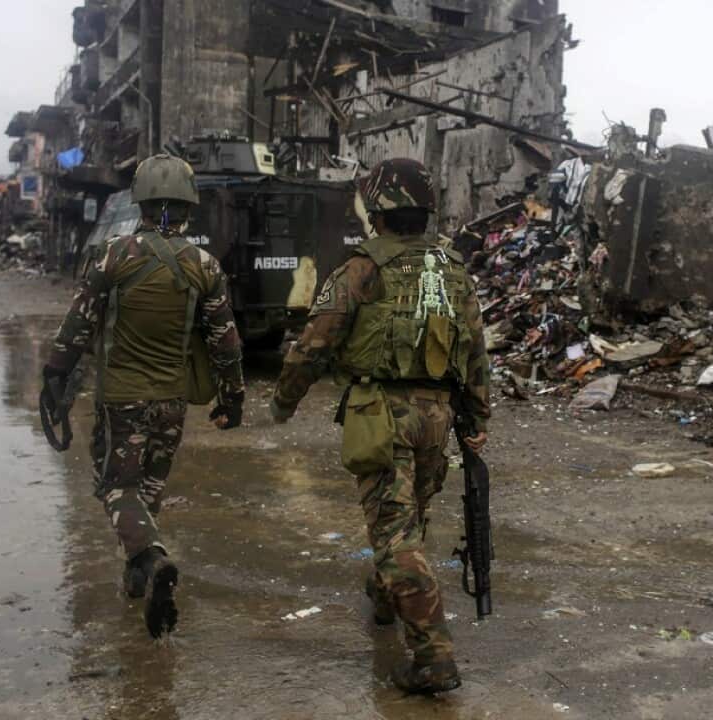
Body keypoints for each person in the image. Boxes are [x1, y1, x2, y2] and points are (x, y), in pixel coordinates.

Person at [269, 158, 491, 694]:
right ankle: (386, 595)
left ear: (378, 211)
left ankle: (433, 656)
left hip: (382, 414)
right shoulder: (452, 268)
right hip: (437, 416)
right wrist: (477, 415)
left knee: (394, 533)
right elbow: (475, 348)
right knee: (410, 517)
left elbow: (315, 343)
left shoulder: (361, 269)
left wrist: (284, 400)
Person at [41, 154, 245, 639]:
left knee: (117, 487)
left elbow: (78, 325)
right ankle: (138, 576)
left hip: (122, 399)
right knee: (148, 488)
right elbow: (225, 341)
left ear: (141, 202)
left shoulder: (113, 256)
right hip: (172, 401)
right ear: (188, 206)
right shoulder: (205, 266)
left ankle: (151, 561)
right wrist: (232, 396)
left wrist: (54, 376)